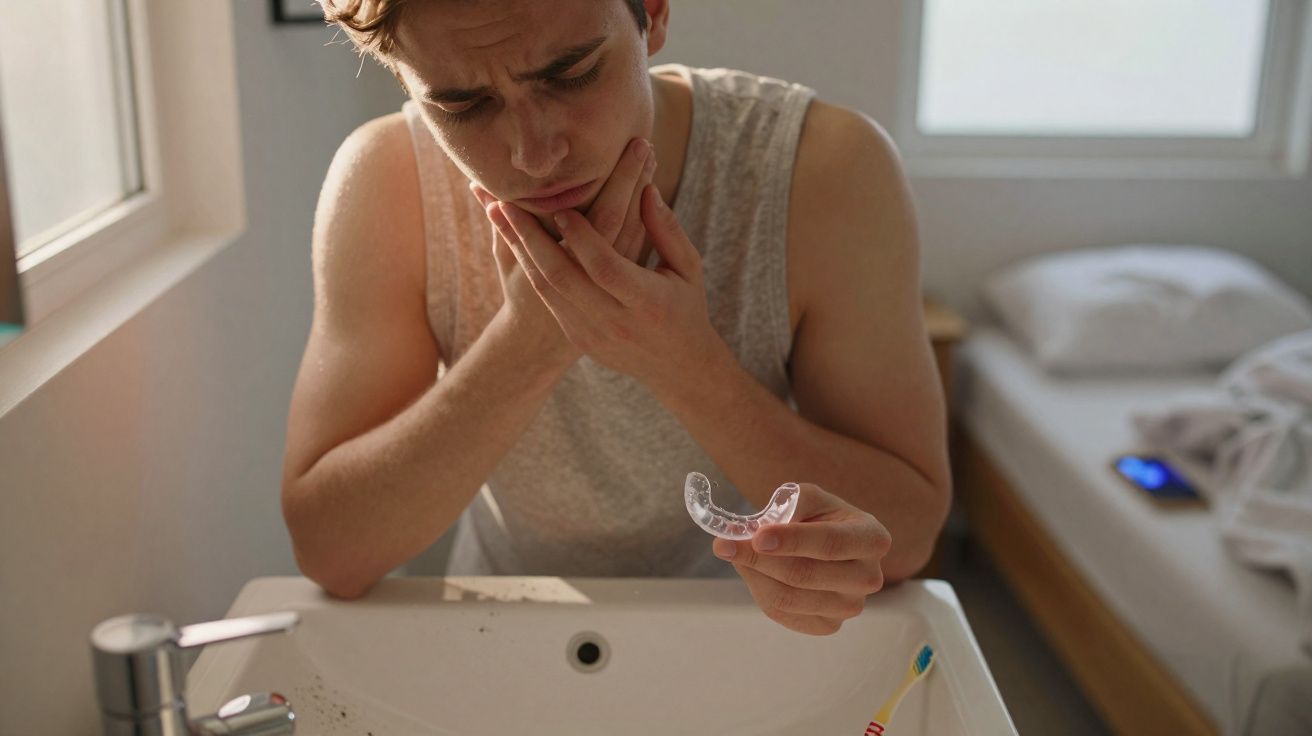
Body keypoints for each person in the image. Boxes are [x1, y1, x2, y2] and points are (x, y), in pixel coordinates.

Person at [281, 0, 951, 636]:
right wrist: (526, 343)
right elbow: (332, 552)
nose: (534, 154)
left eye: (570, 74)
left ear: (652, 12)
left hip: (751, 628)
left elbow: (908, 537)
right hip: (502, 632)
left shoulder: (822, 169)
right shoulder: (386, 181)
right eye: (462, 104)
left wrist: (685, 364)